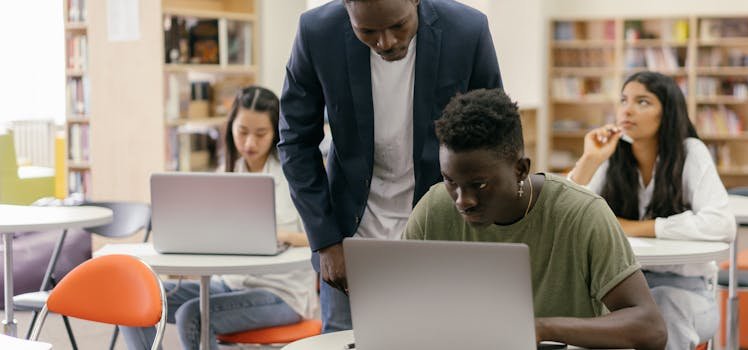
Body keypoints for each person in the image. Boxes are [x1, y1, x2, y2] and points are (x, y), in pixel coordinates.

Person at [278, 0, 503, 332]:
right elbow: (295, 141)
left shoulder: (468, 30)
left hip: (441, 233)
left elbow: (496, 135)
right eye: (367, 31)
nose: (386, 42)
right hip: (348, 242)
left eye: (398, 26)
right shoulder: (316, 32)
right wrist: (325, 241)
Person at [403, 88, 667, 349]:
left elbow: (650, 328)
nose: (463, 200)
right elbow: (400, 303)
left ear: (520, 169)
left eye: (479, 185)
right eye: (450, 181)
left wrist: (540, 329)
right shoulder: (433, 209)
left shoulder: (581, 213)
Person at [121, 86, 317, 350]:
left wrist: (281, 236)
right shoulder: (225, 175)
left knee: (192, 316)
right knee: (133, 299)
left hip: (281, 294)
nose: (250, 143)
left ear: (276, 133)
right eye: (242, 132)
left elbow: (321, 237)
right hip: (228, 283)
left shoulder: (295, 177)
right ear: (230, 128)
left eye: (261, 134)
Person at [568, 71, 736, 349]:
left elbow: (721, 224)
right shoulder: (612, 156)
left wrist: (640, 227)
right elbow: (567, 215)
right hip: (620, 290)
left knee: (663, 313)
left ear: (667, 112)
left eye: (643, 102)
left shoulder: (690, 152)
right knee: (582, 324)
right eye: (624, 100)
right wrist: (590, 159)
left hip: (684, 290)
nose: (628, 109)